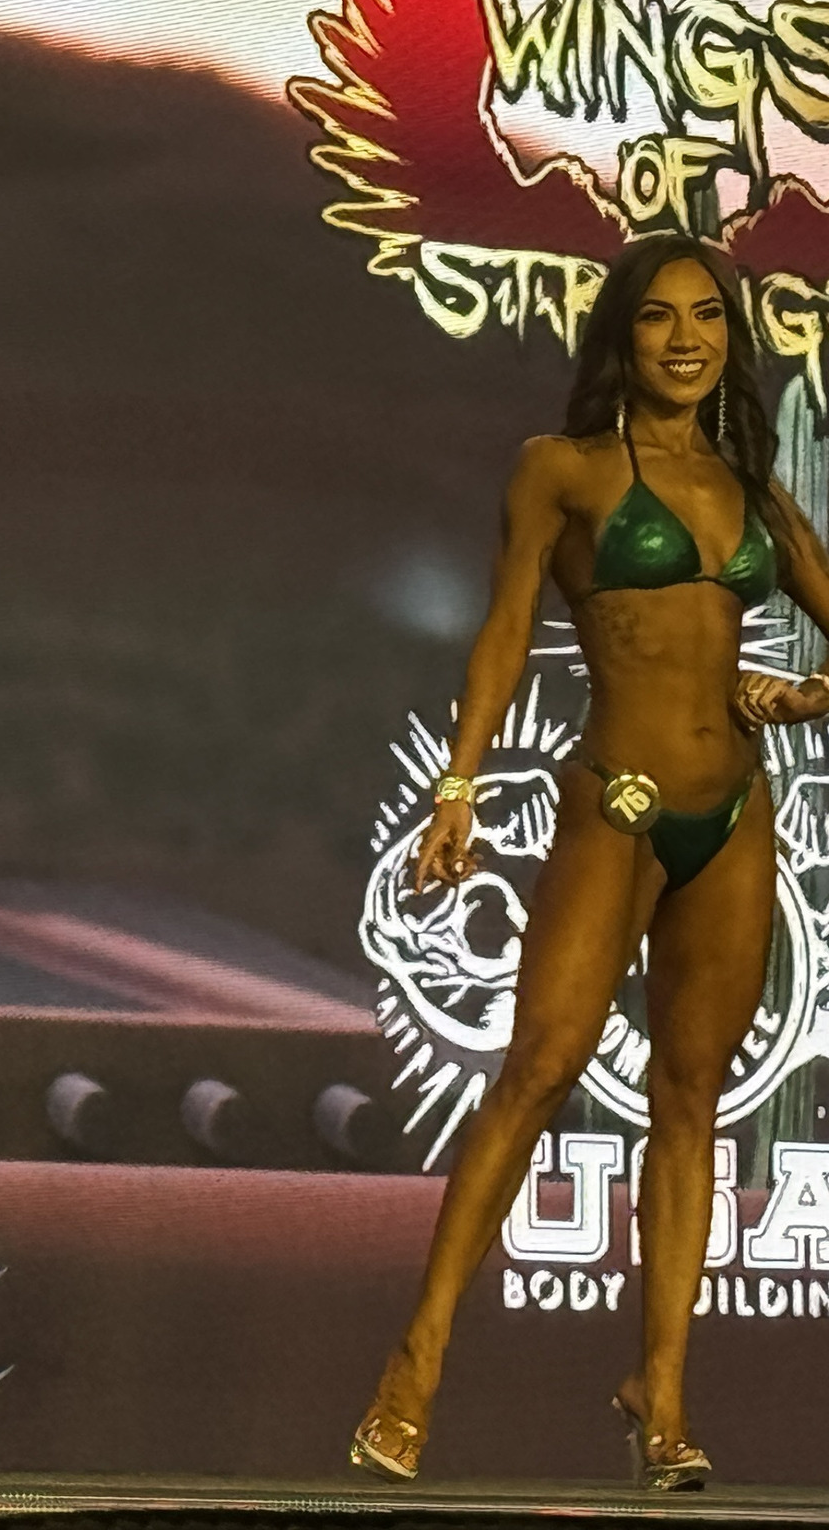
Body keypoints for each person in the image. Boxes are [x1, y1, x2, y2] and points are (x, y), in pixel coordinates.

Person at [351, 232, 829, 1492]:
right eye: (659, 318)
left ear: (729, 342)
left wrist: (800, 695)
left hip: (731, 815)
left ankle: (658, 1397)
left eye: (707, 319)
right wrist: (457, 788)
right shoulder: (558, 470)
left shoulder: (751, 492)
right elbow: (503, 634)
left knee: (691, 1102)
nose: (685, 340)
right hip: (613, 803)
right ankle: (413, 1363)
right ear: (620, 336)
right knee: (535, 1072)